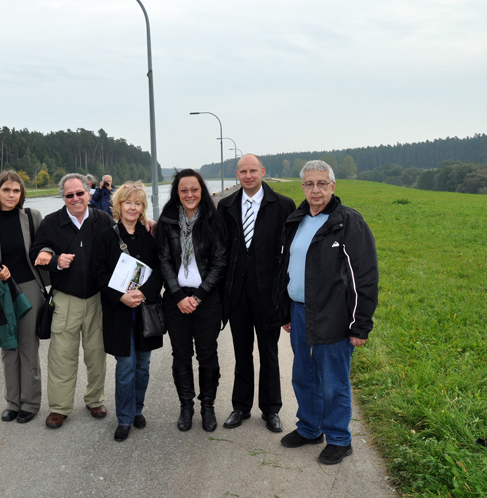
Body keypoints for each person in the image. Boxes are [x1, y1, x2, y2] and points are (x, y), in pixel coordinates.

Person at [278, 160, 378, 465]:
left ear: (333, 186)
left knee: (332, 380)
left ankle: (338, 438)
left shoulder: (348, 222)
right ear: (303, 188)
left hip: (334, 314)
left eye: (322, 183)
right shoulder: (296, 220)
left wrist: (360, 325)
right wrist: (285, 311)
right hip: (299, 312)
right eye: (309, 184)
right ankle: (309, 428)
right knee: (303, 375)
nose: (315, 190)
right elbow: (286, 270)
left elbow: (365, 276)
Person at [217, 154, 295, 433]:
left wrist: (285, 296)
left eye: (253, 170)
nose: (248, 176)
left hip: (269, 293)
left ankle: (271, 409)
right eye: (243, 171)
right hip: (237, 293)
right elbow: (219, 250)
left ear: (262, 171)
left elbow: (291, 254)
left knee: (269, 352)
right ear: (236, 175)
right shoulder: (226, 206)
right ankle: (240, 406)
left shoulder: (283, 205)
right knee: (241, 352)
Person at [30, 173, 114, 429]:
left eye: (80, 193)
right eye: (70, 195)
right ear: (63, 197)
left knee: (96, 354)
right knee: (61, 356)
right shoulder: (51, 222)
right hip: (66, 299)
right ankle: (59, 407)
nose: (76, 198)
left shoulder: (103, 219)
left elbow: (120, 243)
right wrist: (54, 260)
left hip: (97, 298)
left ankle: (95, 399)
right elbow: (37, 251)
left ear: (89, 193)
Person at [0, 170, 50, 424]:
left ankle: (30, 403)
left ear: (21, 193)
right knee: (8, 347)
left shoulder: (32, 217)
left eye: (16, 190)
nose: (11, 195)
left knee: (27, 346)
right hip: (1, 292)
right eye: (6, 190)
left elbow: (46, 245)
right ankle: (12, 403)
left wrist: (47, 251)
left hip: (29, 288)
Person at [155, 169, 227, 432]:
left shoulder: (213, 219)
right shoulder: (167, 221)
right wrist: (177, 296)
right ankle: (186, 406)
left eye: (194, 189)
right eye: (184, 190)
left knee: (208, 355)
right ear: (177, 192)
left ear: (201, 191)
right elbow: (162, 260)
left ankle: (207, 406)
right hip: (176, 300)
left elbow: (220, 262)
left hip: (206, 299)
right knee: (181, 355)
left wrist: (198, 297)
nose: (189, 194)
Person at [92, 182, 163, 441]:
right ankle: (124, 418)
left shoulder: (150, 236)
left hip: (145, 311)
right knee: (125, 367)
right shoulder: (106, 236)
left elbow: (159, 271)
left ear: (143, 207)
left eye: (138, 203)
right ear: (118, 205)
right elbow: (98, 273)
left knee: (143, 366)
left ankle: (137, 410)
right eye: (128, 202)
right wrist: (121, 297)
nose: (132, 207)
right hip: (119, 312)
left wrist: (143, 293)